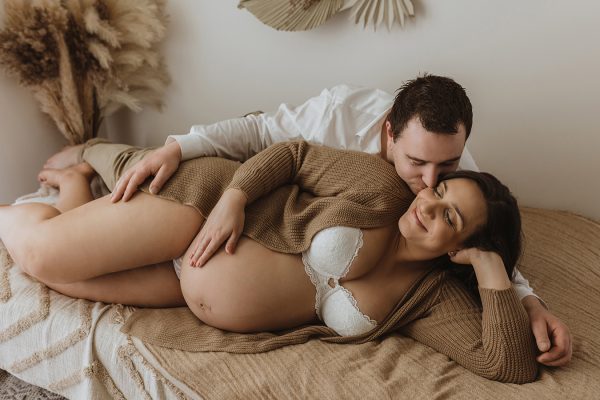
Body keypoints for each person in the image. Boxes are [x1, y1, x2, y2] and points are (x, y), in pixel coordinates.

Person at [44, 74, 571, 367]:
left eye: (446, 168)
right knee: (132, 167)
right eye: (419, 164)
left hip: (199, 274)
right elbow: (268, 139)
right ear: (389, 133)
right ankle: (93, 150)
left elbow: (490, 243)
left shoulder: (459, 179)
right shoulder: (342, 119)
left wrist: (526, 298)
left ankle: (71, 189)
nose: (429, 184)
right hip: (228, 195)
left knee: (71, 276)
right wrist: (197, 163)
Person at [2, 140, 537, 383]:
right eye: (439, 189)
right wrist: (235, 196)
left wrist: (493, 274)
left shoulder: (430, 298)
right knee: (34, 253)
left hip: (183, 283)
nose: (427, 204)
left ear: (459, 249)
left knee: (57, 274)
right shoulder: (380, 187)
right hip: (201, 210)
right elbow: (295, 154)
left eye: (449, 217)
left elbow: (506, 365)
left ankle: (73, 186)